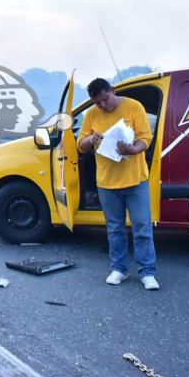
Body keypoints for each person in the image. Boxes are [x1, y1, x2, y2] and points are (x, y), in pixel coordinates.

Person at [77, 78, 159, 290]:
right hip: (107, 183)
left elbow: (145, 138)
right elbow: (81, 144)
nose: (103, 106)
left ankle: (147, 272)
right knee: (115, 229)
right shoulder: (92, 115)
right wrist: (91, 139)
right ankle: (119, 269)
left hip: (136, 180)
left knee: (142, 226)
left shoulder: (133, 107)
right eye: (97, 103)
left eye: (105, 99)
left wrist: (132, 150)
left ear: (112, 90)